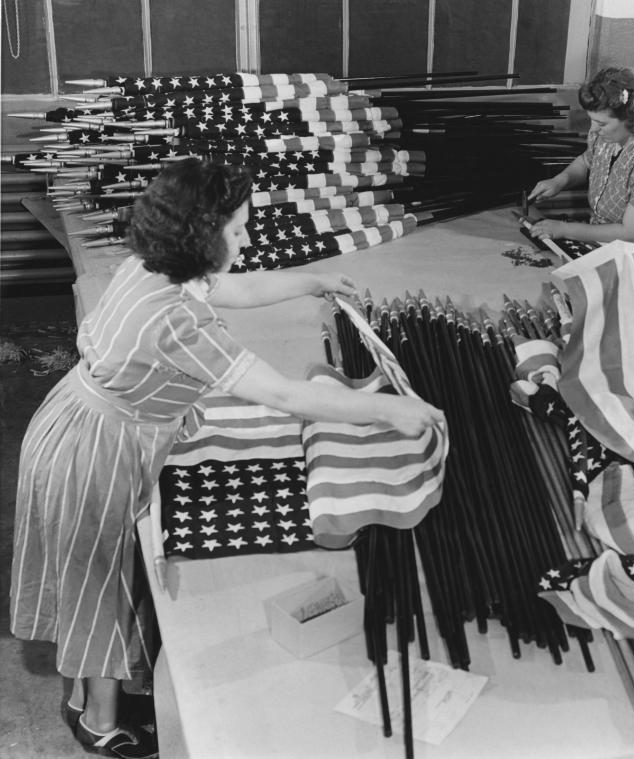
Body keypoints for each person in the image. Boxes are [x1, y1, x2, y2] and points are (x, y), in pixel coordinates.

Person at [8, 158, 444, 758]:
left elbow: (238, 286)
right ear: (199, 235)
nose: (245, 239)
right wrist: (387, 413)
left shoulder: (157, 265)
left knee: (99, 572)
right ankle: (99, 723)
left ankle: (92, 698)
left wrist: (312, 280)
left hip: (86, 424)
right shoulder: (180, 319)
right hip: (96, 450)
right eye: (236, 230)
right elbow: (282, 394)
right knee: (97, 580)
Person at [527, 66, 634, 252]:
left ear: (632, 119)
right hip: (606, 245)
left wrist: (564, 229)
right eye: (592, 120)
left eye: (601, 123)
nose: (593, 128)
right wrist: (559, 181)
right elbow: (586, 161)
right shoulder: (604, 135)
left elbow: (631, 233)